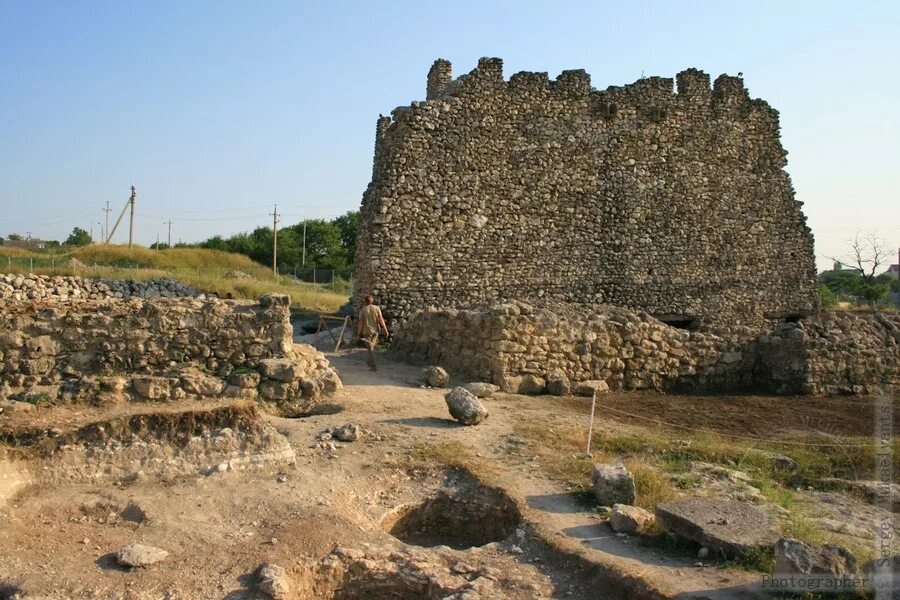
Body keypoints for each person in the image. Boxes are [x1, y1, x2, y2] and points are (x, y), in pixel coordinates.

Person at [357, 295, 389, 371]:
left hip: (367, 331)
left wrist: (358, 333)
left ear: (365, 301)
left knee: (370, 349)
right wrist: (385, 329)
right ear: (372, 301)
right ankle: (369, 362)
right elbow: (380, 319)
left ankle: (373, 366)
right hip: (376, 331)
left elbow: (361, 323)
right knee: (372, 348)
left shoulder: (363, 310)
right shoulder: (376, 308)